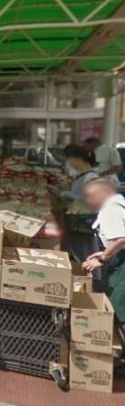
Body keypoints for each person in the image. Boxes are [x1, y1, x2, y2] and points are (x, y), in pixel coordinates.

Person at [81, 177, 125, 343]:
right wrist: (103, 253)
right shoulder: (116, 205)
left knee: (120, 306)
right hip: (120, 260)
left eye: (90, 196)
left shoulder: (110, 209)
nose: (88, 201)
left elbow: (120, 239)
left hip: (123, 265)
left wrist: (103, 259)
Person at [50, 144, 101, 262]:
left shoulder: (91, 177)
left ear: (78, 158)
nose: (69, 162)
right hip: (76, 219)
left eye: (69, 158)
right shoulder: (81, 176)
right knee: (77, 251)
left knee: (85, 252)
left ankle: (90, 272)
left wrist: (64, 194)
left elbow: (88, 200)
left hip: (83, 221)